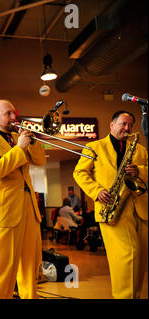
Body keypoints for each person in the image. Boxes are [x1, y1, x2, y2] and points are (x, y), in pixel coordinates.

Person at [73, 110, 148, 299]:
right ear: (112, 125)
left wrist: (139, 170)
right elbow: (80, 173)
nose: (127, 128)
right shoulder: (94, 147)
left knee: (140, 259)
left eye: (130, 125)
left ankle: (135, 296)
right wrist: (96, 191)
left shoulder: (139, 149)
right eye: (123, 124)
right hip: (112, 209)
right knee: (127, 256)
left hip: (140, 209)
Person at [0, 99, 46, 299]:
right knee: (0, 269)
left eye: (14, 113)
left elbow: (40, 160)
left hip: (28, 210)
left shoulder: (19, 137)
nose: (14, 118)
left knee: (30, 267)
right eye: (8, 114)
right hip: (3, 213)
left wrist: (31, 141)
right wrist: (19, 149)